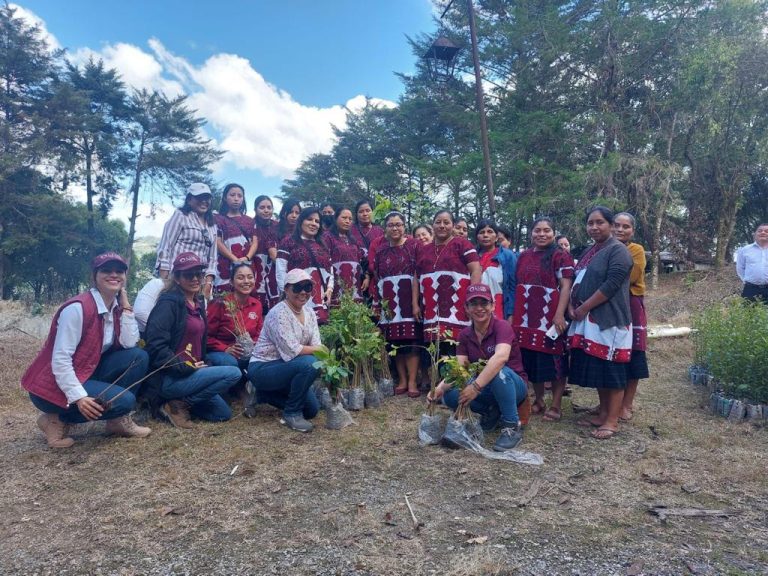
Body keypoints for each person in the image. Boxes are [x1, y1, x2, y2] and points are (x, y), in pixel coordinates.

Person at [21, 252, 151, 448]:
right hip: (52, 385)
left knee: (138, 357)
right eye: (106, 270)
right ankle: (55, 419)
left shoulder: (115, 308)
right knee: (125, 401)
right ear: (94, 276)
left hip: (86, 371)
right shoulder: (77, 308)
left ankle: (117, 421)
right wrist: (79, 397)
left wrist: (125, 307)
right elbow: (61, 359)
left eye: (119, 271)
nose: (114, 275)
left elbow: (129, 343)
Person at [144, 252, 242, 428]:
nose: (195, 278)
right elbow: (155, 346)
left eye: (199, 274)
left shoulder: (197, 304)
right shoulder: (168, 304)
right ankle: (175, 405)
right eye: (189, 275)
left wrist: (204, 363)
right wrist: (185, 366)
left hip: (192, 372)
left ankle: (178, 402)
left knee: (222, 414)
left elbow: (199, 345)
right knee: (233, 373)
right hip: (171, 377)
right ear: (177, 278)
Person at [427, 284, 530, 452]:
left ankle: (511, 427)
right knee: (451, 396)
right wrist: (438, 389)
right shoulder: (465, 335)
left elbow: (501, 358)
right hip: (485, 387)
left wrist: (475, 387)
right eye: (474, 304)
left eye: (484, 303)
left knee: (498, 372)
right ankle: (492, 412)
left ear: (493, 306)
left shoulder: (502, 326)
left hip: (512, 384)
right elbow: (460, 370)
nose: (479, 308)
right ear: (466, 308)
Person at [567, 206, 633, 440]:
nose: (594, 227)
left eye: (599, 222)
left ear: (610, 225)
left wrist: (584, 307)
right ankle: (603, 413)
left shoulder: (618, 251)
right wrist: (571, 305)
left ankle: (612, 421)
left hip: (609, 320)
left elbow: (611, 285)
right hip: (588, 320)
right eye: (590, 223)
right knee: (599, 369)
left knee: (612, 370)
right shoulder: (592, 250)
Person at [247, 269, 326, 432]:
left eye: (307, 287)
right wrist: (320, 350)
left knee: (311, 410)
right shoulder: (278, 313)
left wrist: (319, 351)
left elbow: (316, 343)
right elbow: (292, 350)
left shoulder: (310, 312)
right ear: (286, 290)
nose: (303, 292)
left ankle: (261, 394)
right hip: (263, 367)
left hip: (287, 366)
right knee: (310, 363)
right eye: (297, 287)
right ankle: (291, 413)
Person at [512, 217, 575, 421]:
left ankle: (556, 405)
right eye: (537, 230)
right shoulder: (524, 256)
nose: (541, 234)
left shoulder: (560, 256)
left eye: (546, 230)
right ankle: (539, 400)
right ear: (531, 233)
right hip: (526, 316)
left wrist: (559, 314)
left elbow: (566, 286)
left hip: (551, 315)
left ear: (554, 233)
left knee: (555, 360)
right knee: (531, 359)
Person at [413, 210, 482, 348]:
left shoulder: (462, 245)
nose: (442, 226)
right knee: (433, 352)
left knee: (456, 352)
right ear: (432, 225)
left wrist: (472, 300)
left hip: (458, 308)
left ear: (453, 226)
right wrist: (415, 304)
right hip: (431, 310)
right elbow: (416, 277)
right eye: (438, 222)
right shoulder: (424, 250)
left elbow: (476, 270)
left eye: (446, 222)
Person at [373, 211, 422, 397]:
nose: (395, 228)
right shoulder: (380, 251)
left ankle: (412, 381)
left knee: (411, 341)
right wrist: (378, 305)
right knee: (395, 343)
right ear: (385, 229)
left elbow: (420, 273)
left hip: (410, 299)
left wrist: (417, 303)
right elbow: (377, 279)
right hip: (390, 302)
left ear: (404, 226)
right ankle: (402, 380)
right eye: (391, 225)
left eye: (398, 224)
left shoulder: (414, 245)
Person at [613, 212, 649, 421]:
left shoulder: (636, 250)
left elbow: (630, 277)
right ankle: (610, 404)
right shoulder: (604, 248)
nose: (620, 229)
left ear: (632, 231)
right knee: (613, 353)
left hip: (630, 303)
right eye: (616, 225)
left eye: (625, 226)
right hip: (609, 306)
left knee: (633, 353)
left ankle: (626, 404)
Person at [155, 183, 218, 300]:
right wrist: (165, 280)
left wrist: (208, 283)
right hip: (178, 278)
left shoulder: (212, 225)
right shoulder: (180, 216)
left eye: (207, 198)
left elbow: (213, 257)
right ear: (189, 200)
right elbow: (165, 247)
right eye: (199, 197)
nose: (204, 201)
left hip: (199, 280)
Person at [276, 207, 334, 324]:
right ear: (301, 221)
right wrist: (288, 295)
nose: (314, 224)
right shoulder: (288, 242)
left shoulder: (323, 245)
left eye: (317, 221)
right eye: (309, 219)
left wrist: (330, 289)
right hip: (296, 299)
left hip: (320, 301)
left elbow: (330, 271)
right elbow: (281, 271)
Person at [206, 262, 264, 372]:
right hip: (220, 352)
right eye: (240, 278)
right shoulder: (220, 303)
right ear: (232, 282)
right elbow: (206, 336)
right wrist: (225, 348)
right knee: (231, 363)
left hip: (247, 351)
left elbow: (259, 333)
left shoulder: (256, 305)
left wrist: (253, 344)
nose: (246, 281)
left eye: (250, 277)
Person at [213, 183, 258, 293]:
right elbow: (218, 242)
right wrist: (234, 259)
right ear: (225, 197)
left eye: (239, 196)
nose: (236, 199)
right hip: (225, 265)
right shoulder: (218, 219)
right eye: (232, 195)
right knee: (226, 298)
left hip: (247, 264)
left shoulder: (250, 221)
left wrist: (247, 258)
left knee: (247, 294)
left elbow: (255, 242)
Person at [474, 219, 518, 321]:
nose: (485, 235)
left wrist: (510, 314)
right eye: (482, 232)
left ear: (497, 237)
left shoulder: (507, 256)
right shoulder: (471, 256)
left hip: (499, 310)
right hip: (474, 310)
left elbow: (513, 288)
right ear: (477, 237)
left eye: (490, 232)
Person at [322, 206, 365, 305]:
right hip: (336, 285)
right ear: (336, 218)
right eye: (344, 218)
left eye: (350, 219)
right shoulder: (327, 237)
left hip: (354, 285)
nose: (347, 221)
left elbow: (361, 260)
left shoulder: (353, 240)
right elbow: (325, 262)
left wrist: (366, 276)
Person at [252, 195, 279, 312]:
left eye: (269, 207)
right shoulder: (250, 225)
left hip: (274, 270)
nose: (266, 210)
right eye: (262, 207)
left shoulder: (278, 226)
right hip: (255, 269)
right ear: (255, 209)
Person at [735, 223, 768, 302]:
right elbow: (740, 268)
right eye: (760, 231)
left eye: (766, 231)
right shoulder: (745, 250)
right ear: (755, 234)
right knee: (748, 310)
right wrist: (746, 281)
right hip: (750, 289)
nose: (763, 232)